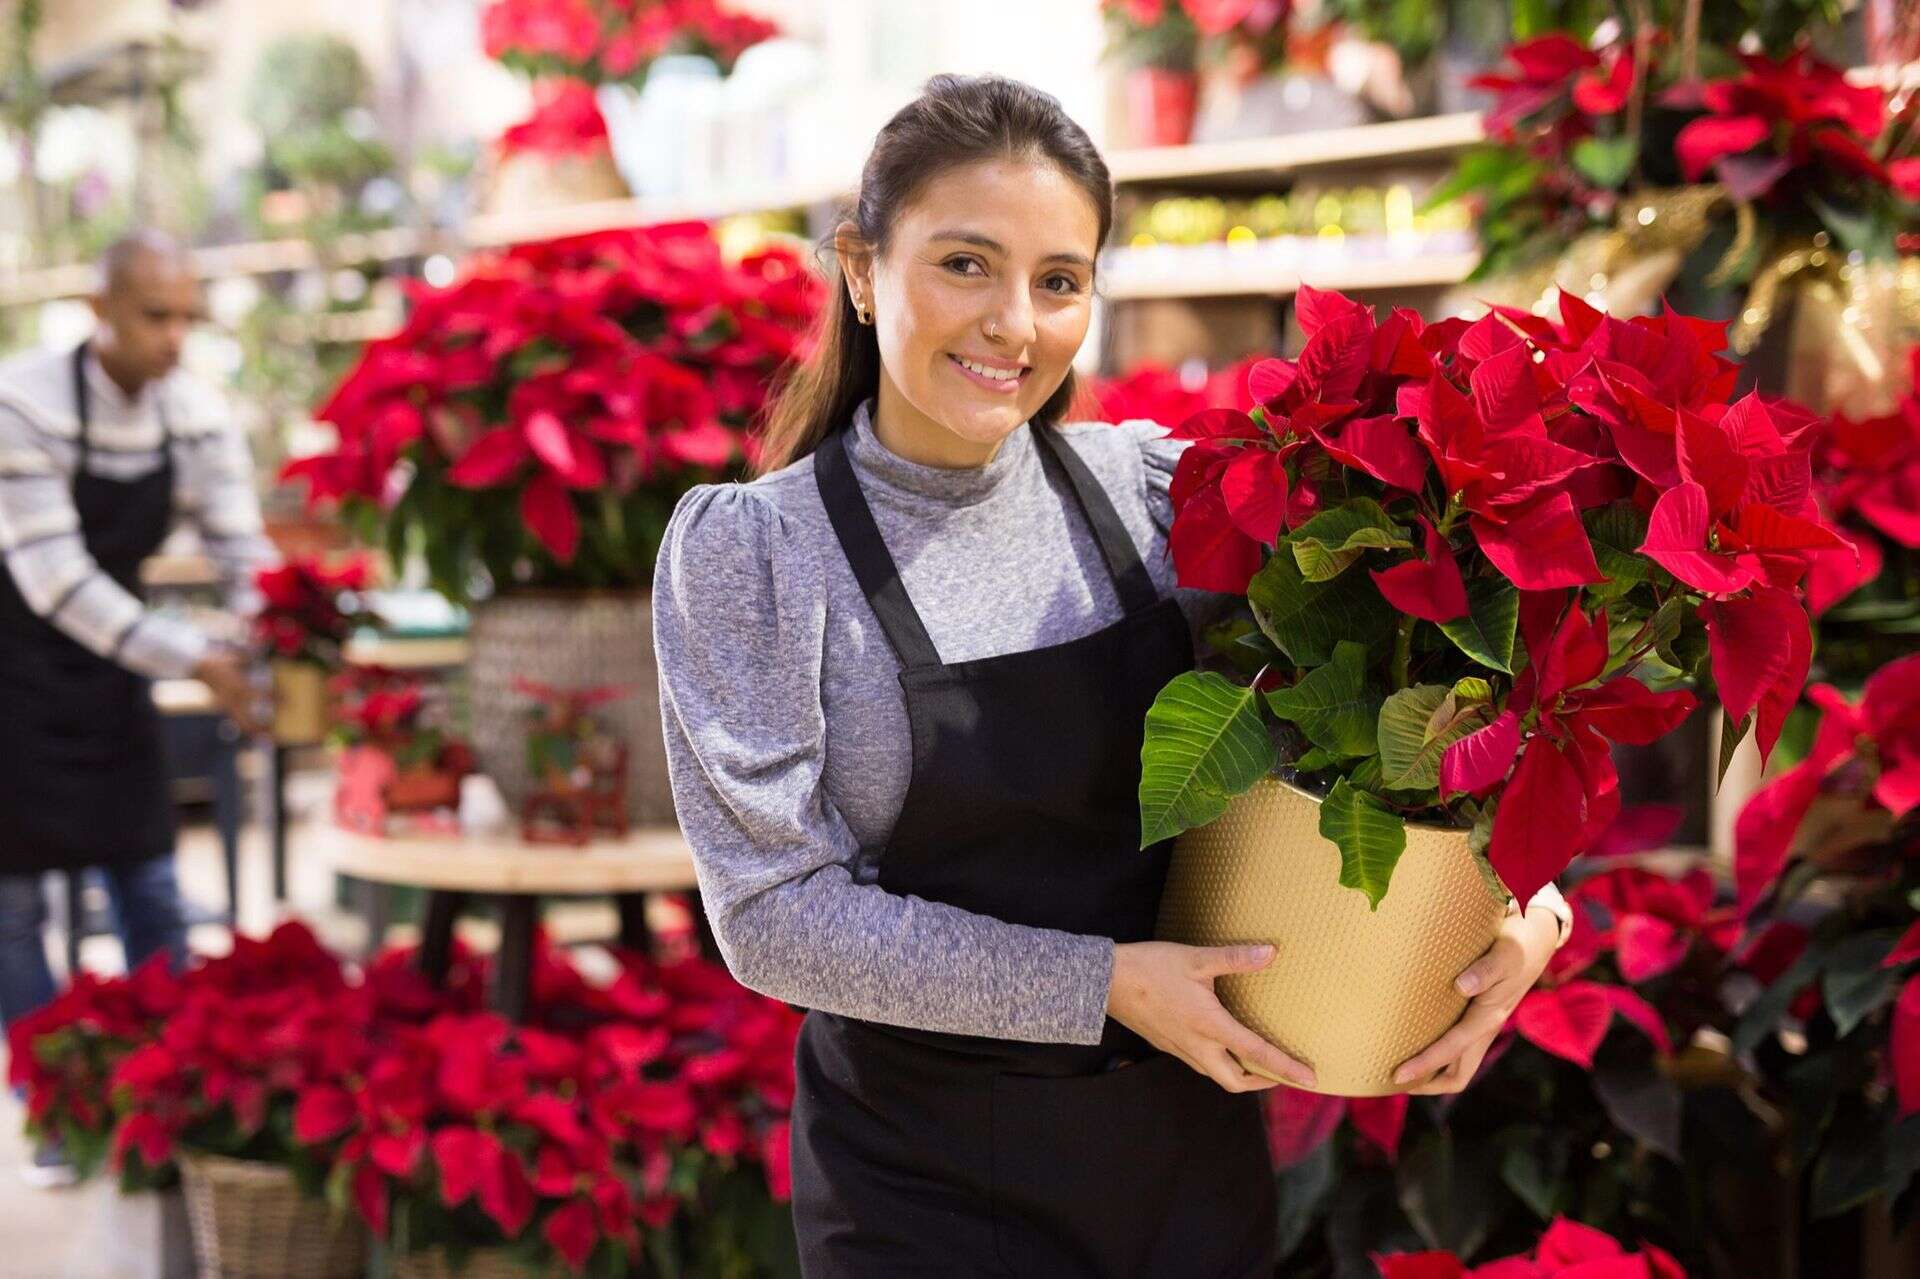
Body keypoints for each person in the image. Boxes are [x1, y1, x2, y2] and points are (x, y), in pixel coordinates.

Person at [654, 75, 1574, 1277]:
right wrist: (1102, 985)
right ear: (862, 270)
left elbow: (1405, 695)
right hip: (924, 1192)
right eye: (965, 265)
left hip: (1185, 1168)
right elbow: (775, 917)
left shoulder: (1154, 493)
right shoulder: (762, 554)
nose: (1015, 326)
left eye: (1059, 280)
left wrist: (1527, 913)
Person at [0, 231, 274, 1183]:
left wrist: (276, 642)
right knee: (11, 908)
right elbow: (55, 580)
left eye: (185, 318)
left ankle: (166, 1093)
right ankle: (55, 1110)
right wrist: (198, 657)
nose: (173, 338)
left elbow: (244, 552)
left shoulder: (192, 414)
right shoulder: (21, 403)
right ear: (99, 307)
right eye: (155, 316)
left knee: (151, 888)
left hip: (109, 675)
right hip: (14, 673)